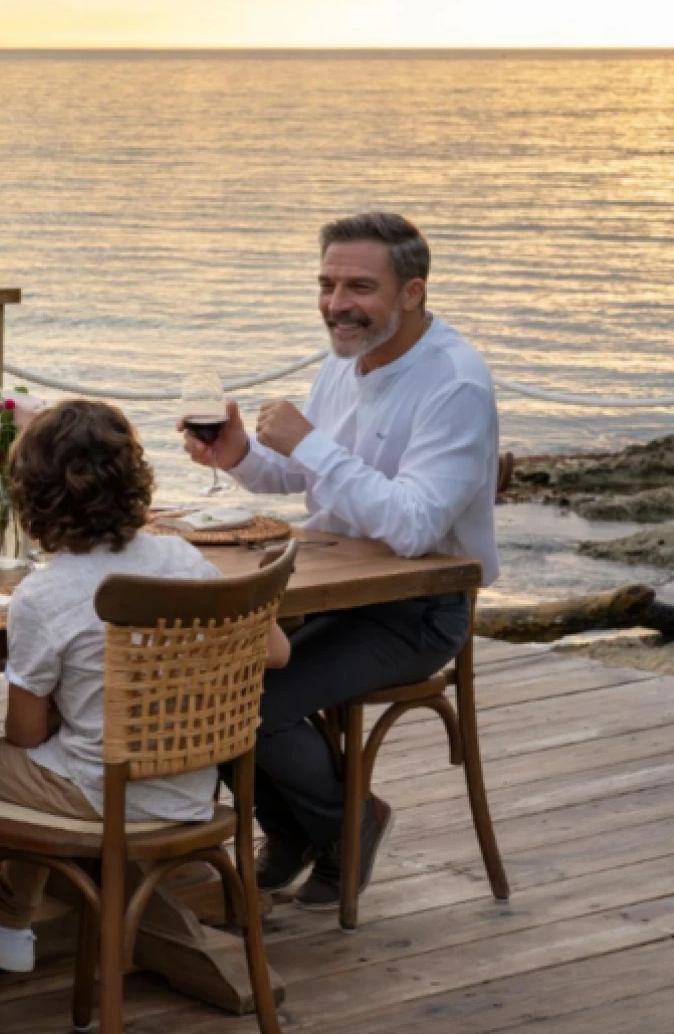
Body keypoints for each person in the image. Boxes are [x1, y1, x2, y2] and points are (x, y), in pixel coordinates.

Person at [0, 400, 291, 985]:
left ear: (32, 498)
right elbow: (276, 651)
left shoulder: (44, 596)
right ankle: (4, 924)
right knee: (50, 759)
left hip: (110, 796)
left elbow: (23, 734)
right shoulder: (185, 558)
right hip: (192, 787)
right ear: (134, 479)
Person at [183, 212, 496, 910]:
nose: (335, 304)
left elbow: (413, 527)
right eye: (327, 283)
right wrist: (238, 452)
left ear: (412, 292)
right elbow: (304, 477)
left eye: (359, 285)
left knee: (247, 699)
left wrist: (310, 443)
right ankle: (294, 835)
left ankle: (350, 825)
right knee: (201, 673)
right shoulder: (347, 358)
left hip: (417, 609)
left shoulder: (455, 385)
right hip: (329, 590)